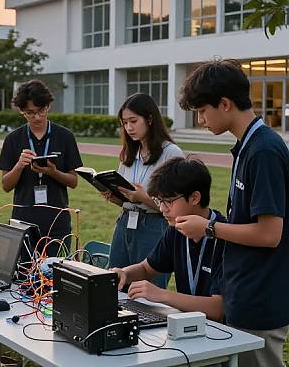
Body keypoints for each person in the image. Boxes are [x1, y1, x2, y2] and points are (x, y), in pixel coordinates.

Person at [177, 58, 289, 367]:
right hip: (243, 291)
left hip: (261, 296)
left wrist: (209, 228)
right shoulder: (247, 145)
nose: (200, 119)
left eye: (202, 110)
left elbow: (269, 234)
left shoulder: (264, 150)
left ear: (224, 104)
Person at [113, 157, 225, 322]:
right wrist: (125, 273)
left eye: (169, 201)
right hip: (188, 324)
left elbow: (218, 309)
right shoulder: (176, 229)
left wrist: (162, 295)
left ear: (195, 198)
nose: (162, 209)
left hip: (222, 332)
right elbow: (146, 268)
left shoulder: (224, 236)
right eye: (159, 201)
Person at [0, 79, 83, 256]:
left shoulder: (65, 136)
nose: (37, 117)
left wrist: (53, 172)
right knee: (23, 278)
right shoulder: (13, 139)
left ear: (48, 107)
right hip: (23, 221)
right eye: (30, 113)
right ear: (22, 112)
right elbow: (6, 185)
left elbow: (74, 182)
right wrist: (19, 166)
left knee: (54, 276)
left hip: (56, 222)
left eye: (41, 111)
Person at [106, 93, 183, 288]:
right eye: (124, 123)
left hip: (154, 226)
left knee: (148, 290)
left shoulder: (171, 153)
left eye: (133, 121)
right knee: (113, 283)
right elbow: (127, 195)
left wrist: (144, 198)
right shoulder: (129, 153)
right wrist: (116, 197)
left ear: (149, 119)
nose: (129, 128)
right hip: (125, 223)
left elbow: (179, 208)